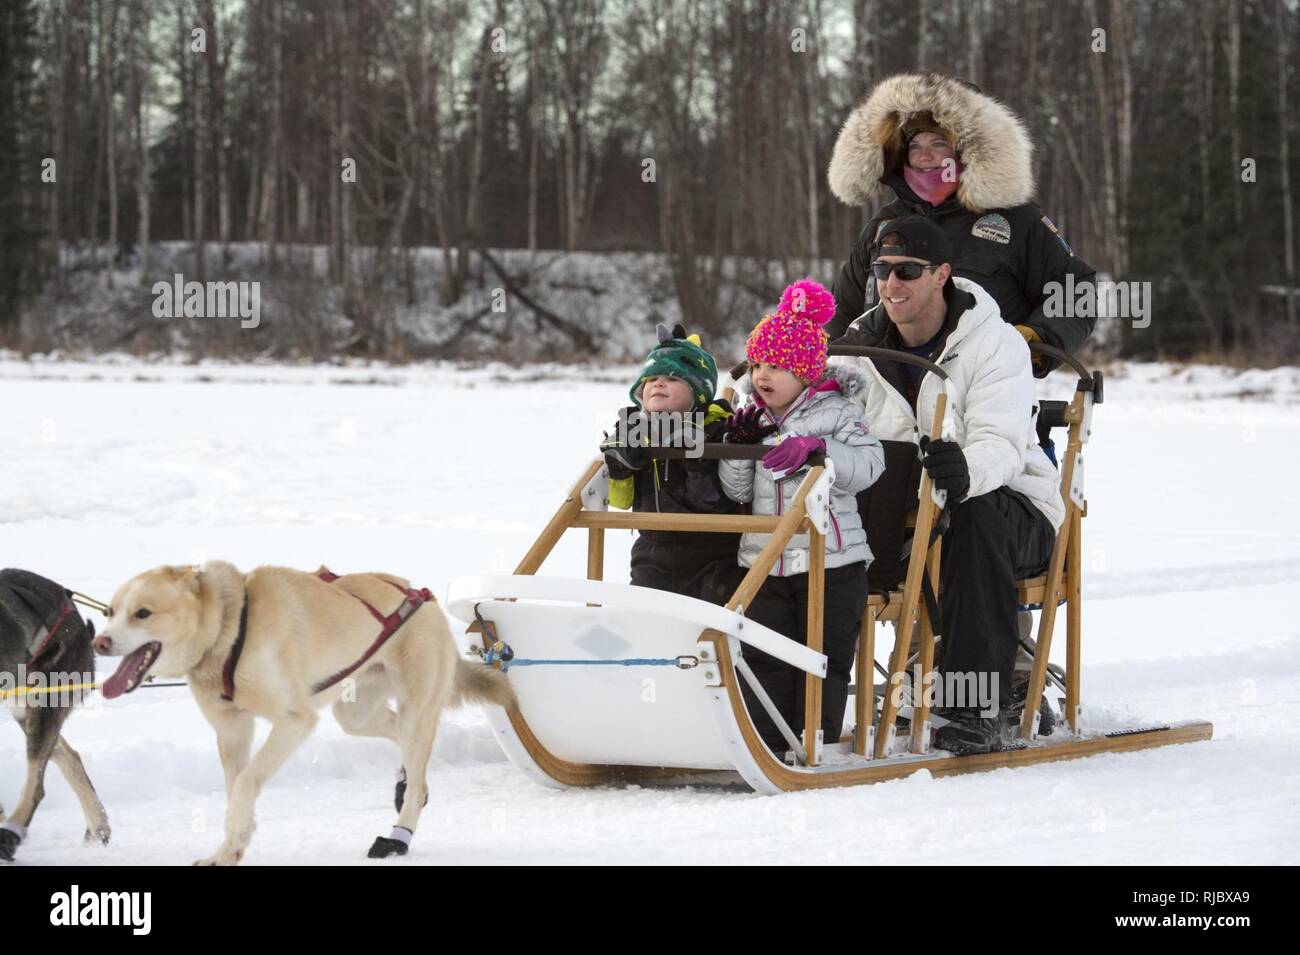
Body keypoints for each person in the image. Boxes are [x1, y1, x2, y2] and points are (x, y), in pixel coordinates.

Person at [833, 216, 1064, 755]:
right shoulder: (859, 344)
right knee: (816, 511)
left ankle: (977, 707)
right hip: (907, 511)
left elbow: (1002, 444)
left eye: (907, 271)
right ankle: (790, 696)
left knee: (974, 515)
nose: (892, 284)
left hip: (1015, 508)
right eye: (883, 271)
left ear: (942, 275)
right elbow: (818, 409)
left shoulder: (994, 342)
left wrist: (965, 471)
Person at [824, 72, 1096, 376]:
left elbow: (1076, 292)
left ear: (967, 150)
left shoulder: (1017, 220)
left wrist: (1034, 337)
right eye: (915, 145)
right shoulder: (884, 224)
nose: (925, 155)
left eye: (939, 143)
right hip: (888, 394)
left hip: (984, 388)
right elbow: (842, 313)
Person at [713, 279, 884, 756]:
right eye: (759, 364)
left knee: (821, 657)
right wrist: (740, 449)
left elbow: (870, 466)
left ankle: (817, 739)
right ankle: (769, 741)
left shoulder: (837, 412)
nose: (764, 375)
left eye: (779, 366)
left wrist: (822, 452)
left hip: (831, 561)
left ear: (807, 372)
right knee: (765, 655)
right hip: (765, 559)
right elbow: (737, 492)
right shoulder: (755, 416)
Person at [599, 324, 739, 599]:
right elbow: (621, 501)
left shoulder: (715, 430)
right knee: (646, 619)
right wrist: (619, 468)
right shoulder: (635, 430)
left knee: (705, 626)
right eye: (651, 379)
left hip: (711, 552)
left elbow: (712, 503)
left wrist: (693, 459)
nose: (658, 383)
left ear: (698, 393)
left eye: (673, 378)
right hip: (652, 549)